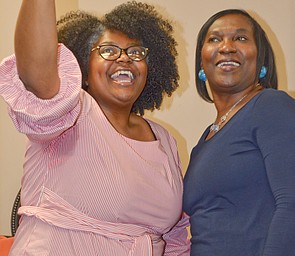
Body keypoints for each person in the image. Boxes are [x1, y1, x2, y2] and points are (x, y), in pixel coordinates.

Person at [0, 0, 190, 255]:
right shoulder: (70, 111)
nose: (124, 58)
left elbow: (174, 239)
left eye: (135, 52)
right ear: (83, 70)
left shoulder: (163, 139)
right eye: (108, 51)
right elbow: (36, 75)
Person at [182, 9, 295, 256]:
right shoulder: (205, 140)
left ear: (262, 60)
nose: (227, 46)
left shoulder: (272, 106)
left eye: (241, 38)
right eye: (214, 39)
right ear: (201, 64)